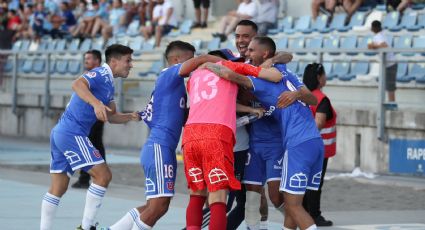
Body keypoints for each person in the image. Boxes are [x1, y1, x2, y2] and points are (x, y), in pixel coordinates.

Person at [202, 37, 324, 230]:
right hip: (309, 141)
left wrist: (205, 64)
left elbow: (230, 75)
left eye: (251, 49)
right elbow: (311, 97)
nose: (247, 52)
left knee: (289, 203)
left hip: (293, 144)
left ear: (264, 53)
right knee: (279, 201)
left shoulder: (263, 79)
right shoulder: (283, 71)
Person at [106, 41, 227, 229]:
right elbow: (203, 59)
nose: (195, 64)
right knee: (158, 207)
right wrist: (225, 65)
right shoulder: (169, 74)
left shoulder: (175, 86)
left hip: (162, 148)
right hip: (159, 147)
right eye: (190, 59)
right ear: (176, 60)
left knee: (153, 205)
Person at [40, 44, 140, 230]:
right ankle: (86, 227)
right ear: (114, 61)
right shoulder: (101, 73)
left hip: (62, 132)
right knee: (103, 175)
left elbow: (111, 115)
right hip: (72, 132)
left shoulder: (110, 82)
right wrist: (95, 103)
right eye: (128, 60)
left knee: (58, 188)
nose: (131, 65)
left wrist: (130, 117)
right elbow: (77, 84)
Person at [183, 50, 282, 230]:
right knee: (218, 197)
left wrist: (250, 109)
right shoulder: (231, 67)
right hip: (217, 135)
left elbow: (218, 101)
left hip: (190, 134)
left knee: (196, 194)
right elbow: (275, 77)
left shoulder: (194, 76)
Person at [302, 63, 337, 227]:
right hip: (319, 148)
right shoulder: (321, 99)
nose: (326, 77)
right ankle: (314, 215)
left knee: (303, 181)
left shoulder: (302, 95)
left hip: (302, 146)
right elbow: (320, 122)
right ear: (318, 77)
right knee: (315, 183)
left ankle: (303, 212)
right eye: (324, 74)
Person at [72, 49, 105, 189]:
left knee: (88, 145)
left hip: (92, 116)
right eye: (86, 58)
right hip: (92, 115)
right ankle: (101, 175)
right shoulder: (91, 75)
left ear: (97, 61)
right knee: (97, 145)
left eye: (89, 58)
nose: (86, 61)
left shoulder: (96, 76)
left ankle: (84, 178)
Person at [368, 20, 397, 102]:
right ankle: (389, 103)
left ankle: (392, 104)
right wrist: (373, 45)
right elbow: (370, 45)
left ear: (374, 28)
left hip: (390, 63)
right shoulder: (382, 34)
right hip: (388, 63)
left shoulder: (379, 36)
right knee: (387, 85)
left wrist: (374, 46)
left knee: (390, 85)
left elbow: (384, 45)